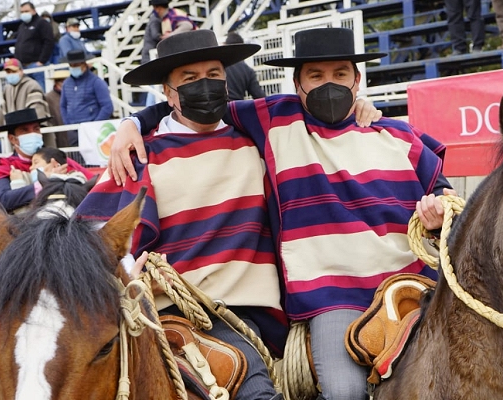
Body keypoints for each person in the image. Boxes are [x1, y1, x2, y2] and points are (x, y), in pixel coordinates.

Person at [112, 27, 453, 400]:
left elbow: (448, 199)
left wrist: (437, 215)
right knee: (342, 393)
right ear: (297, 83)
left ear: (358, 81)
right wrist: (133, 123)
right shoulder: (272, 120)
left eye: (340, 74)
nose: (329, 85)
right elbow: (199, 105)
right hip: (333, 296)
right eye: (316, 76)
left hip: (416, 286)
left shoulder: (397, 135)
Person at [76, 30, 285, 400]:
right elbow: (91, 235)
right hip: (159, 310)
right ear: (169, 93)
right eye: (189, 79)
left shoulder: (256, 137)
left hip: (237, 313)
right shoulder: (140, 154)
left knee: (257, 391)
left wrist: (365, 109)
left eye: (214, 74)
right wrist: (127, 271)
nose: (205, 85)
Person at [0, 108, 93, 214]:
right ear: (12, 139)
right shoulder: (4, 165)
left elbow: (91, 182)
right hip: (21, 225)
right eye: (25, 130)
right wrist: (43, 183)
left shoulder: (56, 159)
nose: (33, 134)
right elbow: (2, 200)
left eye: (36, 129)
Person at [0, 58, 52, 146]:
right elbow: (2, 110)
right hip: (18, 135)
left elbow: (37, 112)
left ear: (21, 71)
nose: (11, 75)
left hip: (33, 136)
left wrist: (34, 132)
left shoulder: (31, 85)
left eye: (13, 71)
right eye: (8, 72)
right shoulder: (7, 89)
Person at [60, 49, 114, 146]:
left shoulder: (96, 82)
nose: (73, 67)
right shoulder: (66, 83)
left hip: (92, 129)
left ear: (84, 64)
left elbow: (107, 106)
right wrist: (68, 123)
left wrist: (95, 125)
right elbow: (63, 105)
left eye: (76, 65)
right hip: (73, 130)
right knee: (75, 157)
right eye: (71, 65)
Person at [13, 2, 55, 89]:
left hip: (37, 65)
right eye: (22, 12)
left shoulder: (42, 23)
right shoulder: (21, 27)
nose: (24, 14)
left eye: (26, 11)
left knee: (42, 90)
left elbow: (48, 42)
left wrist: (41, 61)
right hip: (24, 67)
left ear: (33, 11)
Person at [223, 32, 266, 101]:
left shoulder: (220, 66)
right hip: (237, 108)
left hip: (219, 107)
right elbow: (259, 96)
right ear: (243, 48)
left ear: (225, 46)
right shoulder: (248, 71)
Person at [44, 69, 69, 147]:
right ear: (55, 82)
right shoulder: (48, 97)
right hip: (59, 135)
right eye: (61, 81)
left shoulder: (74, 94)